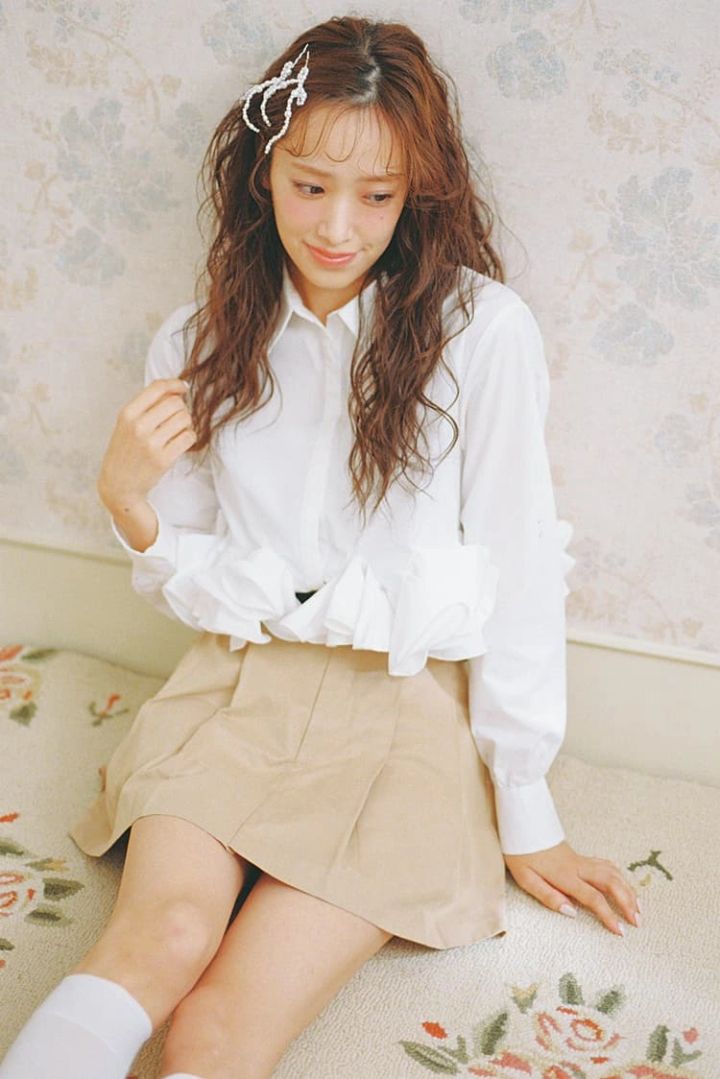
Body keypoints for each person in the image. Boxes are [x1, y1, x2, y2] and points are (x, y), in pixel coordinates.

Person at [0, 14, 642, 1079]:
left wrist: (526, 806)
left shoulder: (482, 332)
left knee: (216, 1028)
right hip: (235, 684)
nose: (338, 226)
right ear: (263, 172)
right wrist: (125, 495)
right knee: (163, 936)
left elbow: (521, 568)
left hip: (407, 712)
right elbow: (198, 579)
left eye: (377, 195)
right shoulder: (200, 339)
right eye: (309, 185)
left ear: (418, 192)